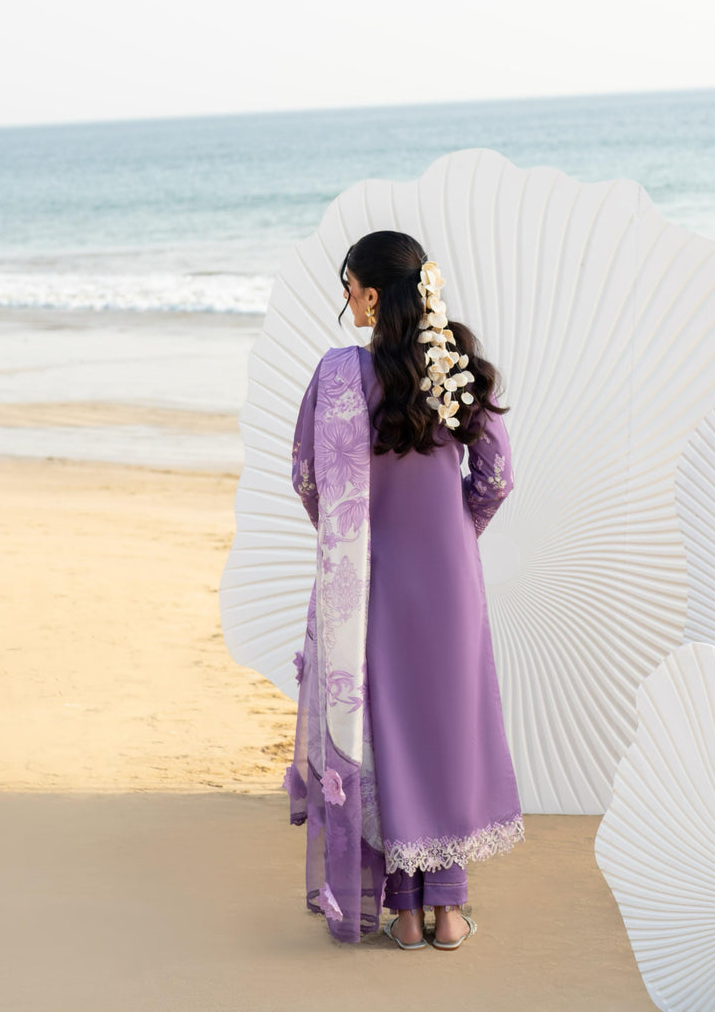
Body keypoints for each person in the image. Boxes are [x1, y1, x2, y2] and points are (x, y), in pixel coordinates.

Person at [283, 230, 524, 950]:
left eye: (348, 287)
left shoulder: (337, 376)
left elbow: (306, 478)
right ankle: (449, 909)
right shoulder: (456, 368)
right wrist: (456, 530)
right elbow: (497, 478)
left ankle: (405, 914)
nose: (347, 301)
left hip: (366, 577)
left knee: (383, 733)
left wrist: (345, 535)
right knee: (444, 729)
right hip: (447, 577)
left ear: (368, 292)